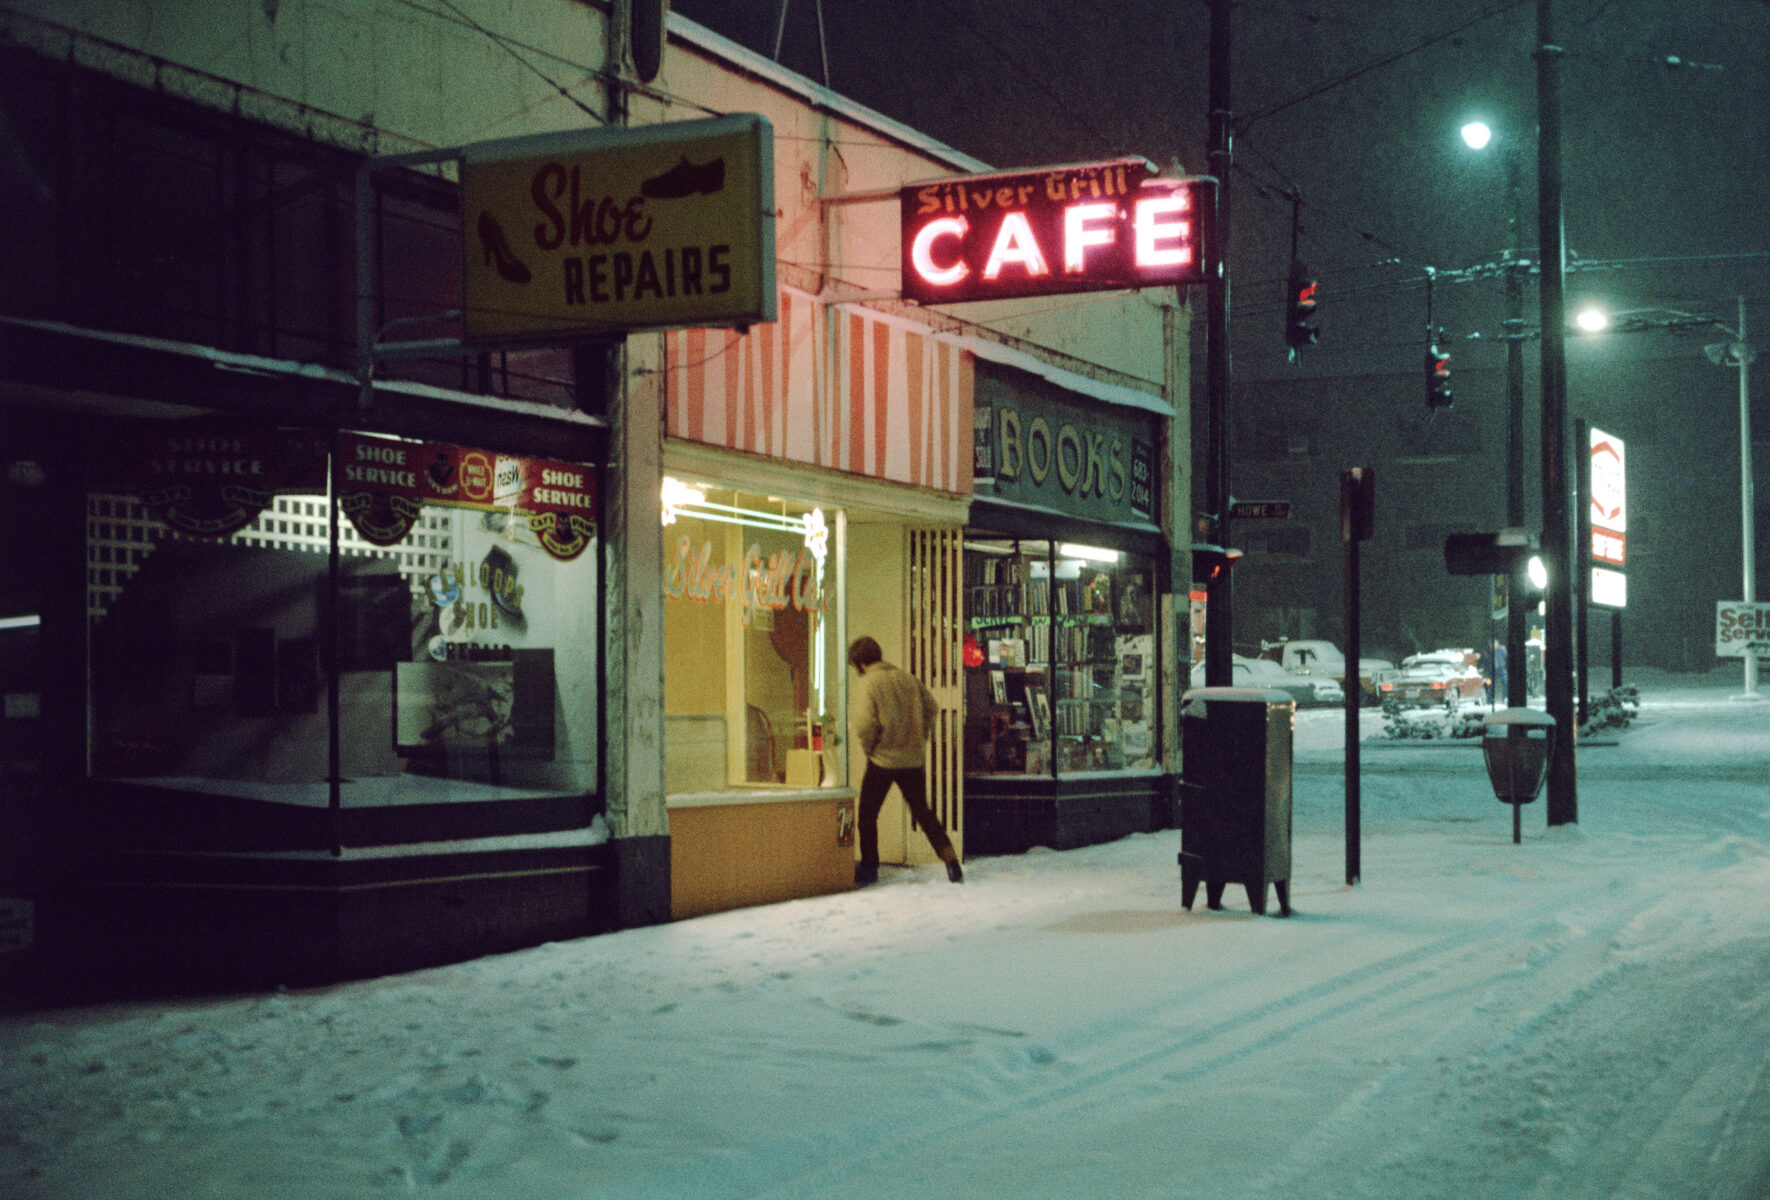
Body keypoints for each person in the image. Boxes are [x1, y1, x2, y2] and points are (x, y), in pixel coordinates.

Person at [848, 635, 963, 885]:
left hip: (882, 760)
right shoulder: (906, 678)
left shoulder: (869, 683)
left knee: (867, 815)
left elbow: (865, 723)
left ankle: (869, 870)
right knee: (923, 813)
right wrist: (919, 737)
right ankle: (951, 862)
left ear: (859, 663)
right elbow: (932, 707)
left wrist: (871, 748)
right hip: (912, 760)